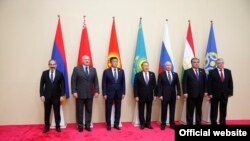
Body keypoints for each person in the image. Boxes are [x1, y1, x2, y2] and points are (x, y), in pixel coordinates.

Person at [71, 55, 99, 132]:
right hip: (79, 94)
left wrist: (97, 91)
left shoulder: (93, 69)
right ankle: (80, 126)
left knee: (89, 110)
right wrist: (74, 91)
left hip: (90, 93)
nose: (87, 61)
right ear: (82, 60)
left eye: (88, 59)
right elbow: (73, 81)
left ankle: (87, 125)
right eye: (86, 59)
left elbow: (95, 81)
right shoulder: (76, 69)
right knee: (79, 110)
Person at [39, 59, 65, 133]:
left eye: (54, 64)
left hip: (57, 97)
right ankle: (46, 126)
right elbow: (41, 85)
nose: (52, 66)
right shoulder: (44, 73)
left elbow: (62, 85)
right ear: (49, 65)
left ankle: (58, 126)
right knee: (47, 112)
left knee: (57, 112)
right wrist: (41, 95)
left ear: (56, 65)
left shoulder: (60, 73)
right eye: (51, 64)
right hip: (46, 97)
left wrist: (62, 95)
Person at [102, 57, 125, 131]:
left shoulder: (121, 71)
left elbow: (123, 83)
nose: (115, 63)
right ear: (110, 63)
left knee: (118, 109)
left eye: (116, 61)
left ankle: (116, 124)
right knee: (108, 109)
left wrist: (123, 93)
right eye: (113, 61)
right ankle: (108, 124)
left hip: (119, 93)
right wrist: (104, 93)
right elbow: (104, 83)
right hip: (109, 93)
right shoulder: (106, 71)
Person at [208, 58, 233, 125]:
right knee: (214, 110)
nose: (221, 64)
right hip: (214, 94)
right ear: (216, 64)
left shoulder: (228, 71)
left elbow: (230, 83)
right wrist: (210, 93)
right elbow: (209, 84)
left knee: (223, 109)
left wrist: (230, 92)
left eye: (222, 62)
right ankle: (214, 122)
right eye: (219, 63)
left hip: (225, 94)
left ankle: (222, 122)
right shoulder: (212, 72)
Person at [182, 57, 207, 125]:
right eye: (194, 62)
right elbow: (184, 82)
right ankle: (189, 123)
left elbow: (205, 82)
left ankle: (198, 123)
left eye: (197, 62)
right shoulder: (187, 71)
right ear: (192, 63)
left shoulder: (202, 71)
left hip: (200, 94)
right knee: (190, 110)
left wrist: (205, 91)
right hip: (190, 94)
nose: (196, 63)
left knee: (199, 110)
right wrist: (185, 92)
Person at [158, 61, 181, 130]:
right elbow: (159, 86)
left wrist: (178, 94)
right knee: (164, 110)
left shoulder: (175, 74)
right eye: (167, 65)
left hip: (173, 96)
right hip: (164, 96)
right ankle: (163, 124)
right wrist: (160, 95)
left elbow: (178, 85)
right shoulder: (161, 74)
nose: (168, 66)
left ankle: (172, 124)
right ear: (165, 66)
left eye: (169, 65)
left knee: (172, 110)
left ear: (171, 66)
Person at [134, 61, 157, 130]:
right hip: (141, 96)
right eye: (145, 66)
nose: (146, 67)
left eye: (147, 65)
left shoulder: (152, 74)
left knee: (149, 110)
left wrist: (155, 94)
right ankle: (142, 124)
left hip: (150, 96)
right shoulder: (138, 75)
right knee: (141, 110)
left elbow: (154, 86)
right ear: (142, 67)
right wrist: (136, 95)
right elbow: (135, 86)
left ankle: (148, 123)